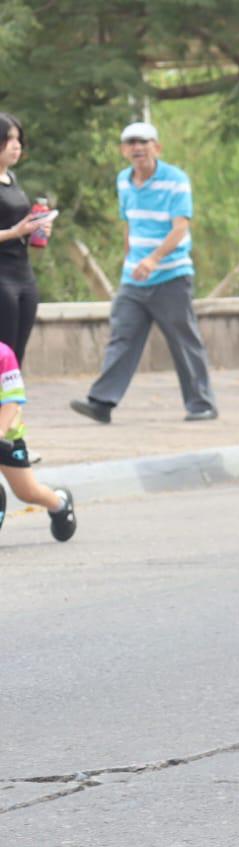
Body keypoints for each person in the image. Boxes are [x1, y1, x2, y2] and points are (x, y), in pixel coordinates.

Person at [70, 122, 217, 424]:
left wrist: (153, 259)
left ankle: (201, 403)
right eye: (131, 143)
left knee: (183, 339)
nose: (137, 148)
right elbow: (129, 223)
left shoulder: (176, 180)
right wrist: (130, 259)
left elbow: (180, 228)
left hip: (171, 275)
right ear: (124, 150)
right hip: (134, 279)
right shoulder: (123, 181)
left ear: (157, 147)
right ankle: (102, 402)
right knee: (122, 337)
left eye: (143, 142)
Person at [1, 341, 76, 542]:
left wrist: (0, 431)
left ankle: (59, 503)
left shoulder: (4, 355)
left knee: (27, 492)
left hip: (6, 437)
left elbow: (12, 400)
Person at [0, 113, 47, 368]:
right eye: (8, 139)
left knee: (16, 355)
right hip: (1, 277)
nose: (16, 145)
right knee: (2, 352)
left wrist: (36, 228)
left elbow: (18, 225)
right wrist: (14, 232)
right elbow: (12, 229)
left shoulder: (12, 180)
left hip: (23, 274)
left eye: (18, 139)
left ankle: (11, 407)